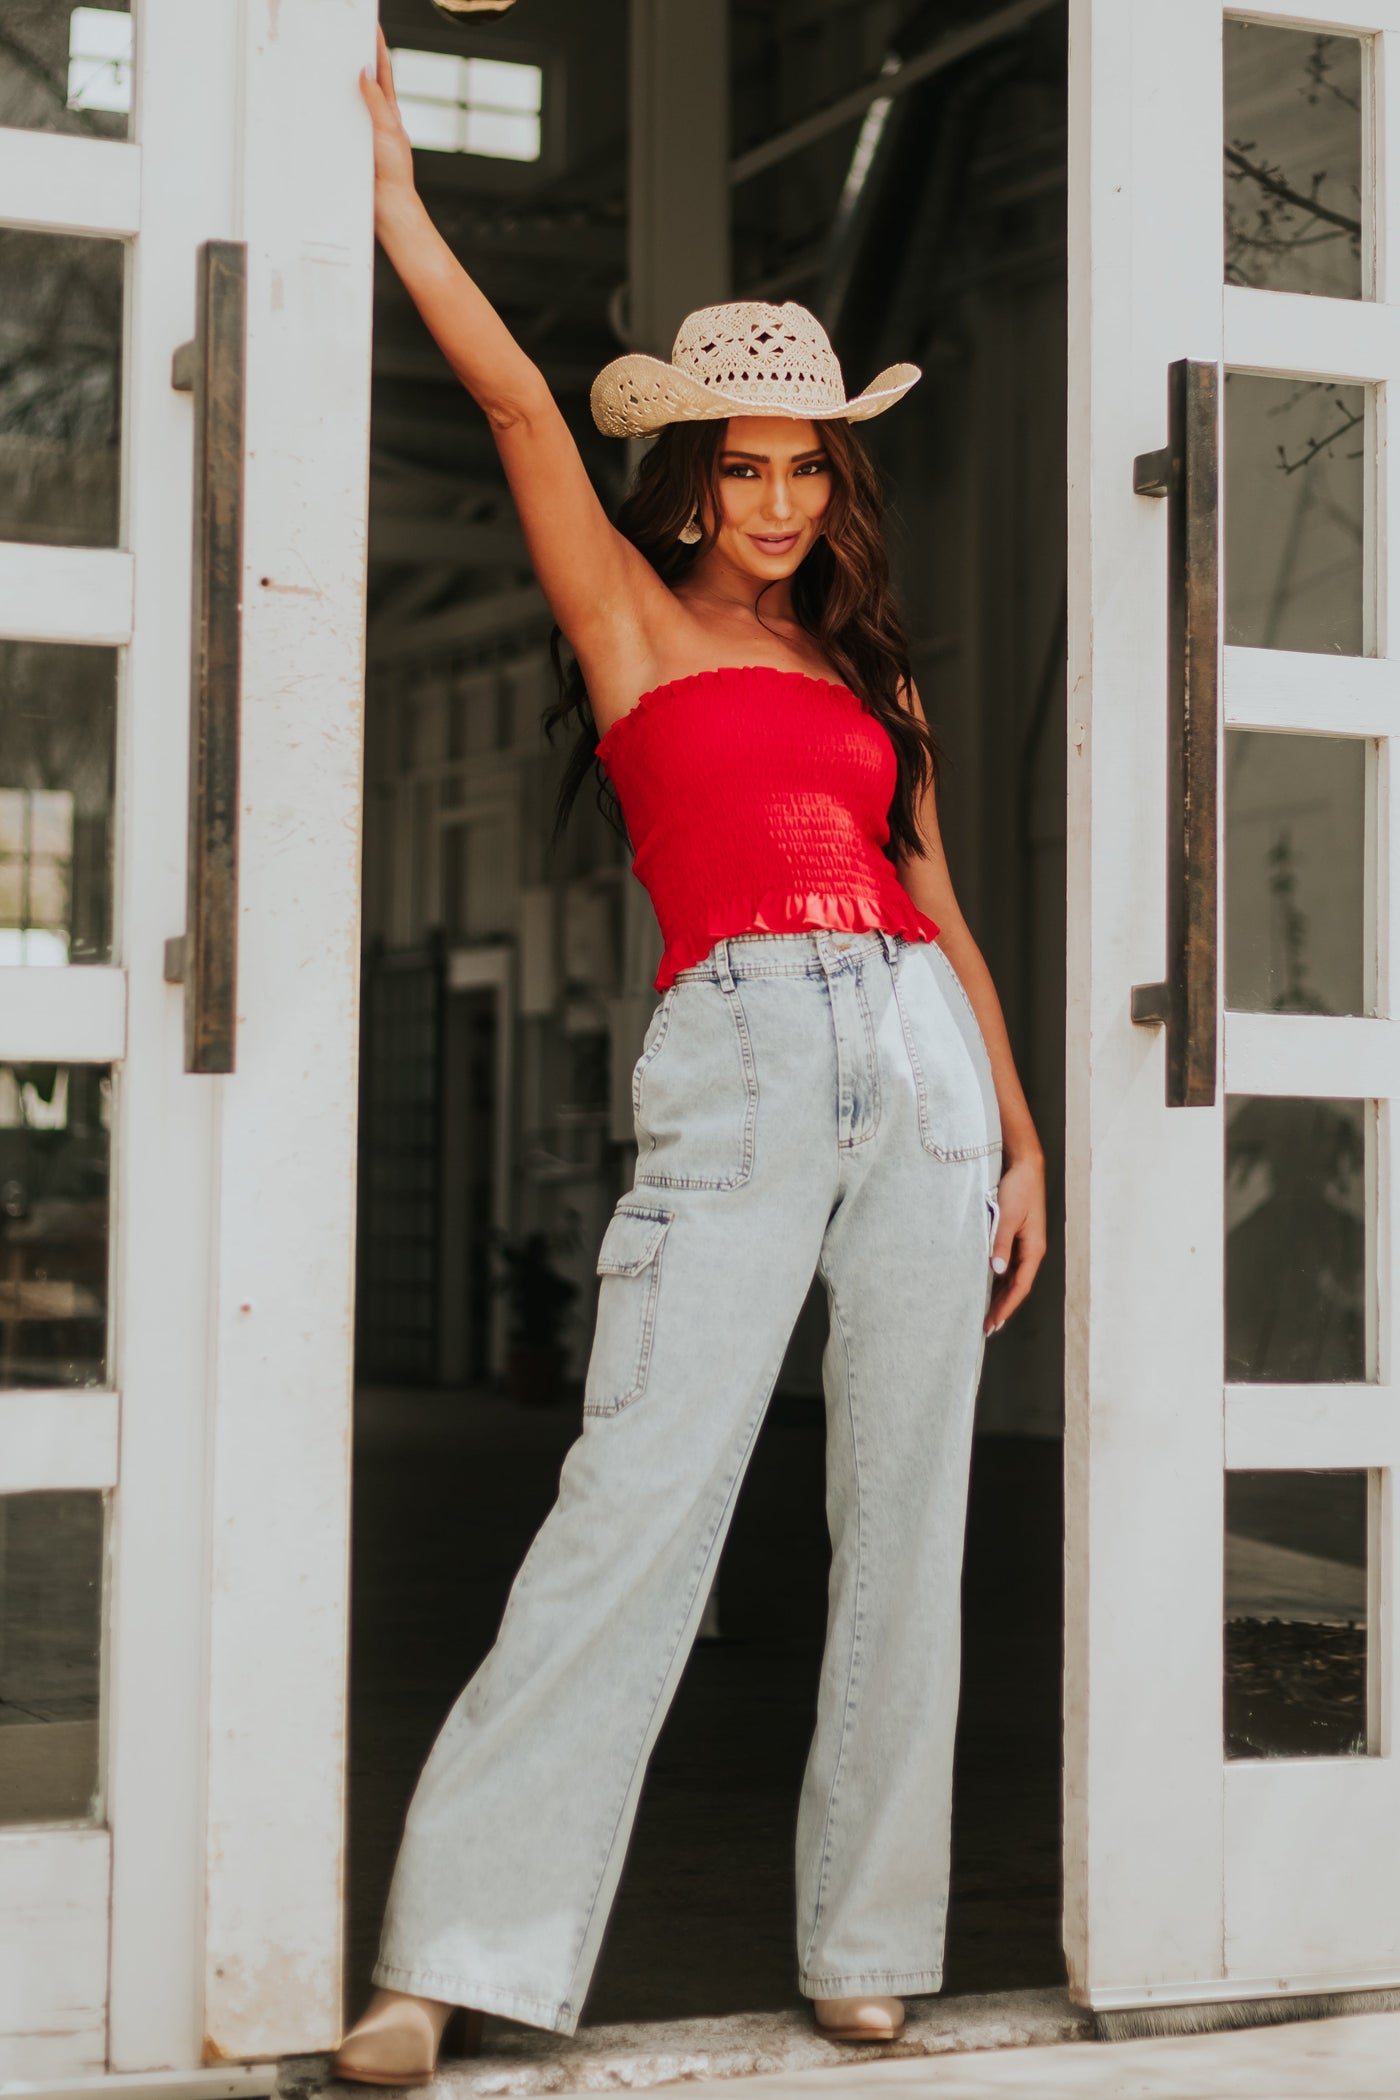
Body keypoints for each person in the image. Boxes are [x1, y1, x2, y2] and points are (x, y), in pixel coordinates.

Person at [335, 33, 1046, 2083]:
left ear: (836, 480)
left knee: (905, 1520)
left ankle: (870, 1937)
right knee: (633, 1501)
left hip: (911, 1058)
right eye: (740, 463)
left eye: (804, 463)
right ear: (689, 476)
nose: (773, 497)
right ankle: (446, 1956)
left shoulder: (866, 664)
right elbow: (503, 397)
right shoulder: (629, 624)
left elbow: (936, 901)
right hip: (736, 1056)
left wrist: (1016, 1134)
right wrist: (394, 193)